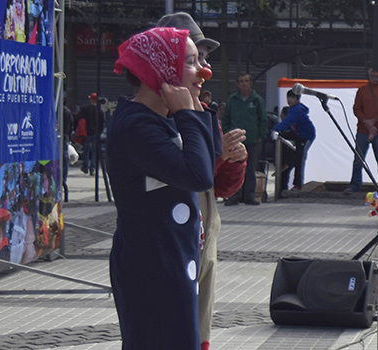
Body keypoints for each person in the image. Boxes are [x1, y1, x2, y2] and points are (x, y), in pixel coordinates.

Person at [107, 27, 217, 349]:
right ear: (163, 68)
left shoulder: (161, 119)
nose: (203, 72)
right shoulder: (135, 126)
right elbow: (198, 175)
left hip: (173, 259)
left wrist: (192, 109)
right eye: (192, 63)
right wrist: (186, 112)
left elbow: (205, 164)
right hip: (152, 268)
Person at [155, 14, 246, 348]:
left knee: (200, 328)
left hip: (205, 235)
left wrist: (235, 160)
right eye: (195, 58)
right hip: (171, 240)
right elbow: (182, 173)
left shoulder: (203, 110)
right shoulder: (156, 117)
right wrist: (219, 154)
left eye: (205, 57)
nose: (205, 67)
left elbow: (220, 186)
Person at [223, 73, 267, 205]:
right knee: (234, 168)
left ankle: (249, 196)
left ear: (250, 83)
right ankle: (234, 196)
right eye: (241, 81)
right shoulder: (232, 100)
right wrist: (227, 134)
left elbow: (263, 120)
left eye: (246, 81)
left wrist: (261, 136)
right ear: (237, 84)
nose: (244, 83)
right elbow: (226, 119)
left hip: (253, 140)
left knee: (251, 169)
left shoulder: (257, 100)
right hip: (235, 141)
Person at [348, 67, 378, 193]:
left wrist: (373, 121)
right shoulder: (362, 90)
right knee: (358, 160)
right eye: (373, 71)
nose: (375, 74)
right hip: (363, 130)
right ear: (368, 73)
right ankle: (355, 185)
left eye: (377, 71)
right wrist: (366, 122)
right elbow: (356, 108)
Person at [274, 89, 315, 193]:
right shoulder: (292, 109)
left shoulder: (297, 110)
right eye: (288, 97)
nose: (289, 100)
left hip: (306, 136)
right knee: (282, 138)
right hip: (297, 134)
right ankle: (287, 161)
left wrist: (275, 129)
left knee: (300, 158)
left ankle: (298, 185)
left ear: (297, 99)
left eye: (292, 98)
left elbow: (287, 121)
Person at [75, 93, 104, 175]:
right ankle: (93, 168)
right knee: (94, 151)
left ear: (91, 100)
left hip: (86, 133)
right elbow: (102, 123)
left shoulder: (84, 108)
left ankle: (85, 167)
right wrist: (99, 132)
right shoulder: (100, 111)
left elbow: (77, 118)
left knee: (86, 151)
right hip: (96, 134)